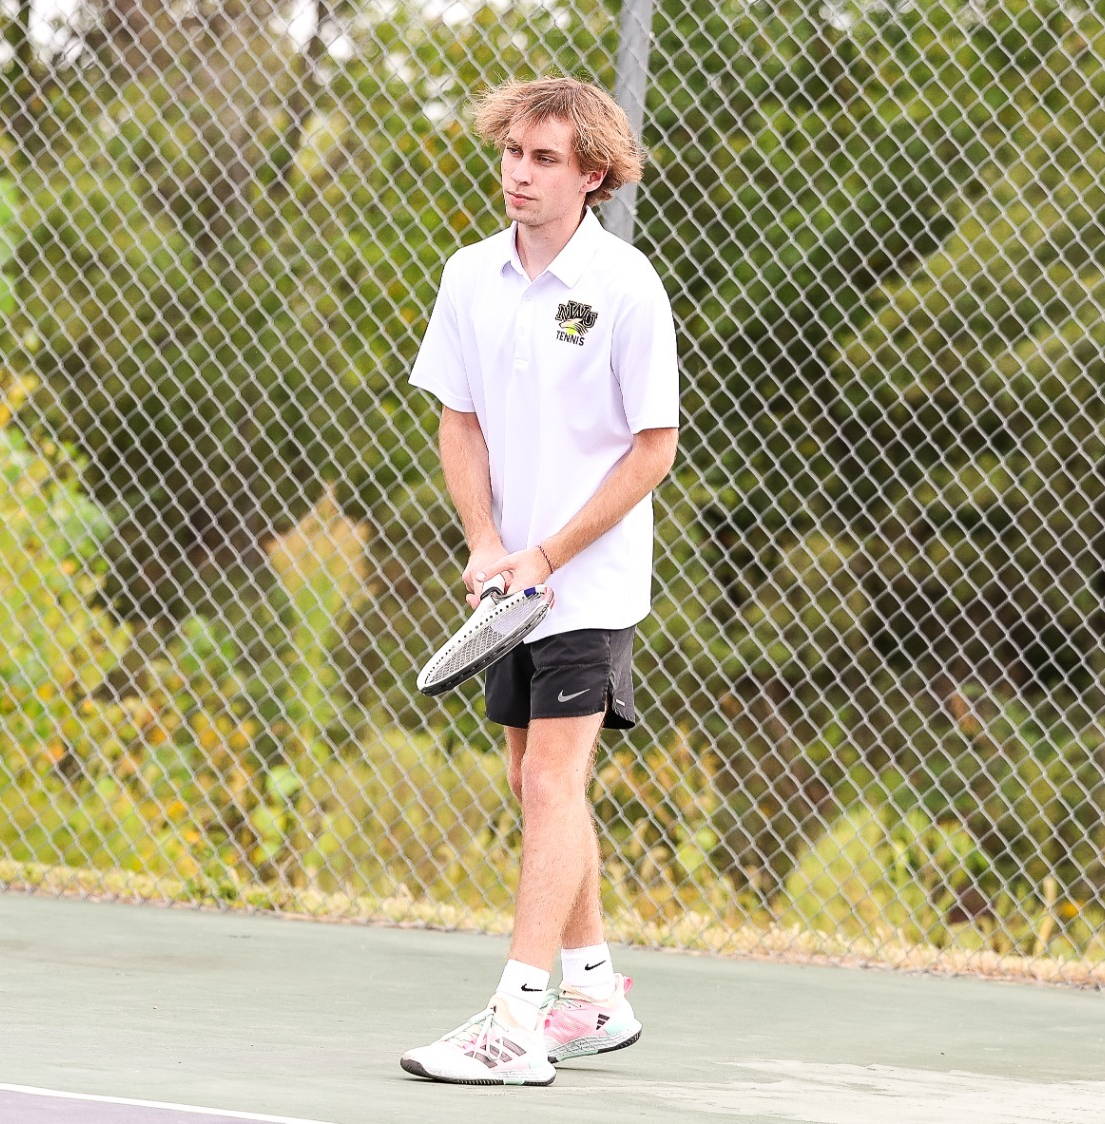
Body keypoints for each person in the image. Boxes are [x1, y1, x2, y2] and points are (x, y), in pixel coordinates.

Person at [397, 76, 680, 1087]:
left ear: (590, 175)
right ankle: (594, 989)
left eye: (544, 158)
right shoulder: (467, 275)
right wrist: (483, 539)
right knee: (530, 782)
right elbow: (458, 417)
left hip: (588, 585)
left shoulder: (626, 286)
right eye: (512, 153)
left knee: (555, 780)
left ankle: (515, 1018)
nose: (518, 173)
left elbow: (653, 450)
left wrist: (548, 555)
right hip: (506, 584)